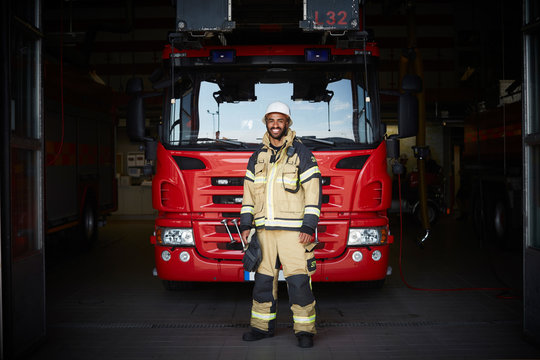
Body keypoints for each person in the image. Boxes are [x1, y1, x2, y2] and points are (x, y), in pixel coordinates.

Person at [239, 101, 322, 348]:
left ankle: (305, 331)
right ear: (266, 122)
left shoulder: (302, 154)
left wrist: (308, 226)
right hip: (263, 232)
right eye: (271, 120)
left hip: (294, 233)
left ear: (288, 123)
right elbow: (248, 196)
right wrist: (246, 225)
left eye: (280, 120)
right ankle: (260, 327)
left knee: (299, 283)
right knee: (263, 282)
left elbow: (314, 192)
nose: (276, 125)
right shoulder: (257, 157)